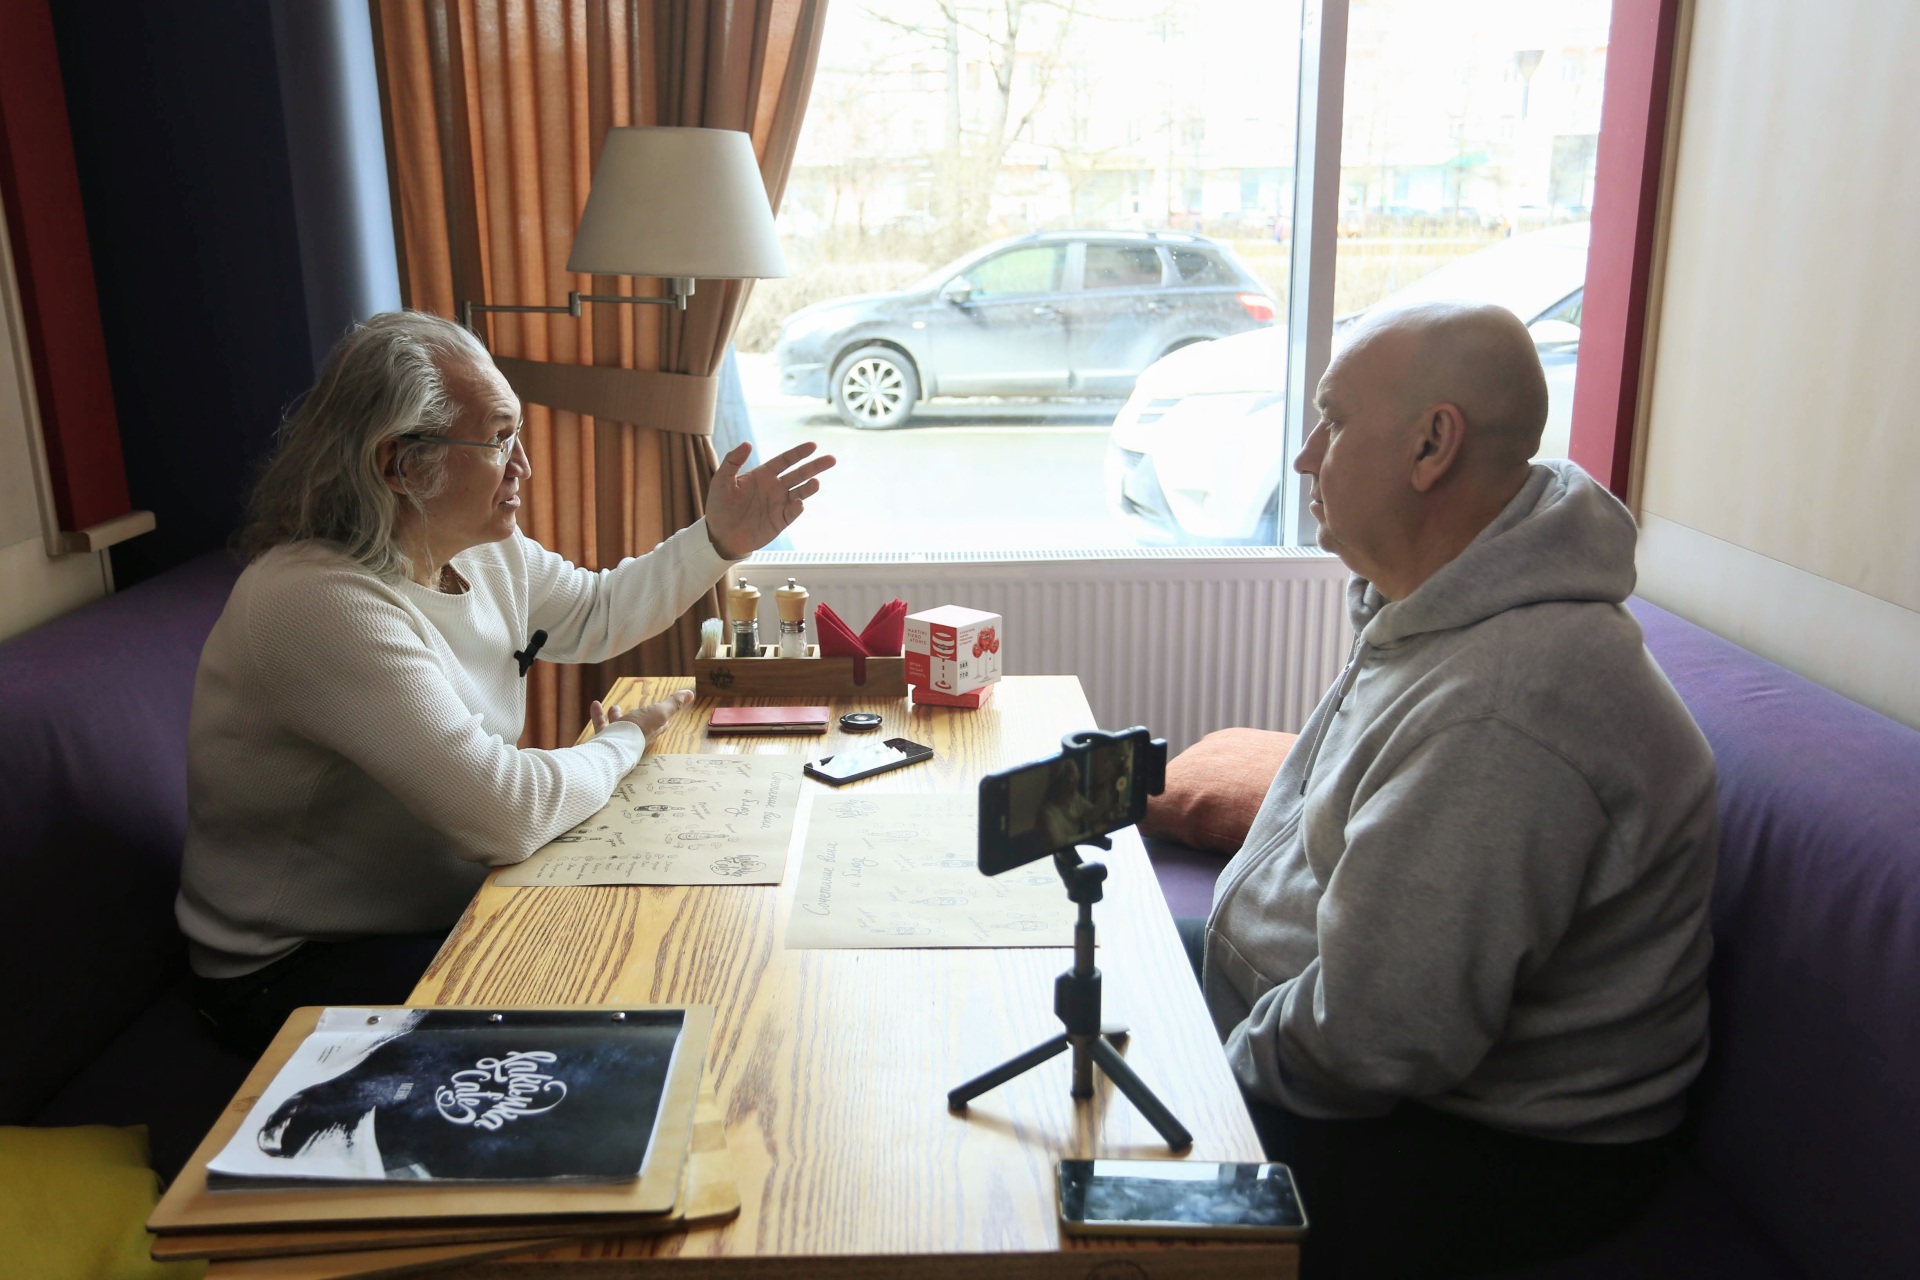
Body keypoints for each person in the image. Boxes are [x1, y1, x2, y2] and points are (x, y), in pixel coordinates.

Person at [1189, 301, 1718, 1277]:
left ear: (1432, 445)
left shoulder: (1510, 707)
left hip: (1496, 1145)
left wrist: (1201, 1076)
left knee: (1090, 1184)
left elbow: (1379, 1041)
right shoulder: (1445, 606)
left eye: (1333, 420)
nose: (1305, 458)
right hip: (1364, 1051)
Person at [179, 311, 834, 1053]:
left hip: (441, 908)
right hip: (295, 970)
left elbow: (596, 611)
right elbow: (506, 812)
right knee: (628, 983)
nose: (523, 465)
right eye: (497, 440)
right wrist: (621, 743)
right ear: (400, 465)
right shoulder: (316, 601)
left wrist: (717, 540)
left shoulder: (479, 548)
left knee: (675, 943)